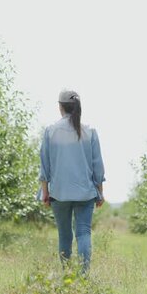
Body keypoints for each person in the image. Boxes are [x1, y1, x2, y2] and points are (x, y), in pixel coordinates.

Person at [38, 89, 106, 275]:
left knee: (64, 235)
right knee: (84, 233)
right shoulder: (90, 131)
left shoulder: (50, 131)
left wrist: (45, 192)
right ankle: (83, 277)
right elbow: (97, 165)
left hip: (59, 193)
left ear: (60, 107)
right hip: (85, 192)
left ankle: (67, 276)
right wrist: (100, 191)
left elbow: (45, 165)